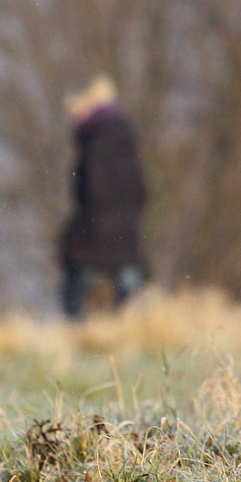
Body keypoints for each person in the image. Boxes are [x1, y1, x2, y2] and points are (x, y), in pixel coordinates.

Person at [59, 74, 147, 318]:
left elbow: (93, 192)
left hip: (96, 232)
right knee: (130, 293)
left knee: (73, 293)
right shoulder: (126, 140)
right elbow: (141, 191)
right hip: (127, 231)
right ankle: (135, 336)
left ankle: (75, 336)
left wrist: (82, 230)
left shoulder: (95, 145)